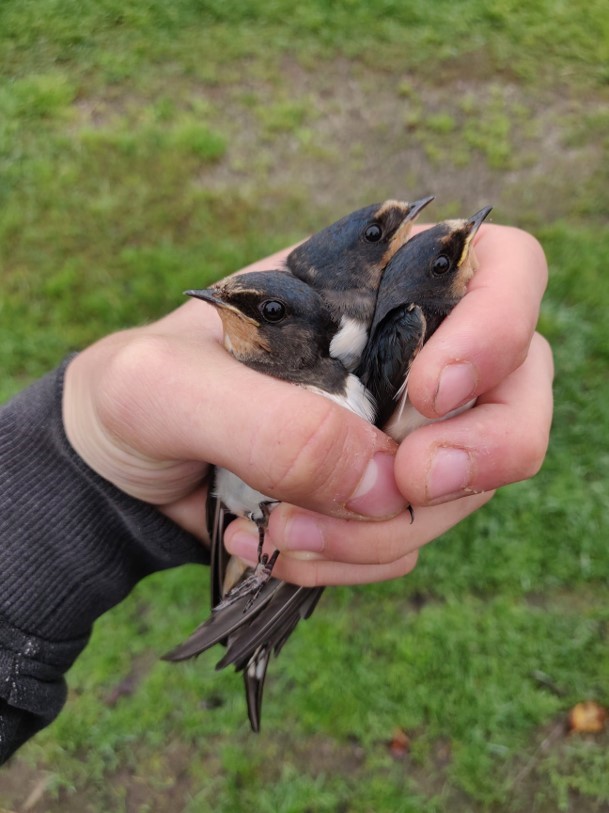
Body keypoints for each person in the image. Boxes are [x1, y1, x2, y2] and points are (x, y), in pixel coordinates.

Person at [0, 223, 553, 764]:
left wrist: (81, 473)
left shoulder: (349, 392)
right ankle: (254, 609)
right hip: (242, 515)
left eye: (266, 313)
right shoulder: (261, 382)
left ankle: (256, 609)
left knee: (284, 562)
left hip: (263, 529)